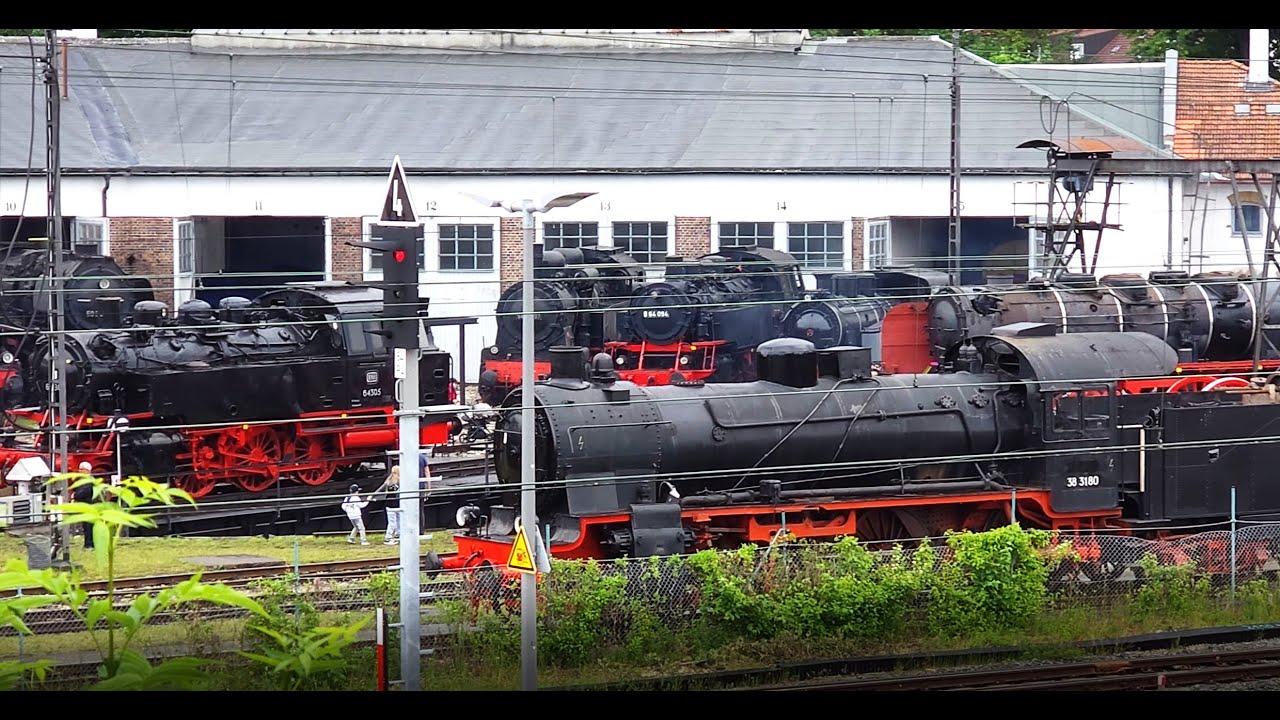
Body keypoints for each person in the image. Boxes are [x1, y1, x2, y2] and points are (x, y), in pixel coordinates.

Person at [373, 466, 401, 545]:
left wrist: (372, 495)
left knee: (396, 521)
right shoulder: (399, 481)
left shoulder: (388, 481)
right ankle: (388, 538)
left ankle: (397, 535)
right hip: (395, 504)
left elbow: (380, 489)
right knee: (393, 522)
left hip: (391, 504)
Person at [74, 462, 95, 549]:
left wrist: (75, 495)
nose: (79, 471)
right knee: (86, 527)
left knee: (89, 527)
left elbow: (81, 493)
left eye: (81, 469)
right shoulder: (84, 481)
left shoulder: (89, 481)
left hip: (90, 507)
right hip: (86, 507)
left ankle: (90, 544)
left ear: (87, 470)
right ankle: (87, 544)